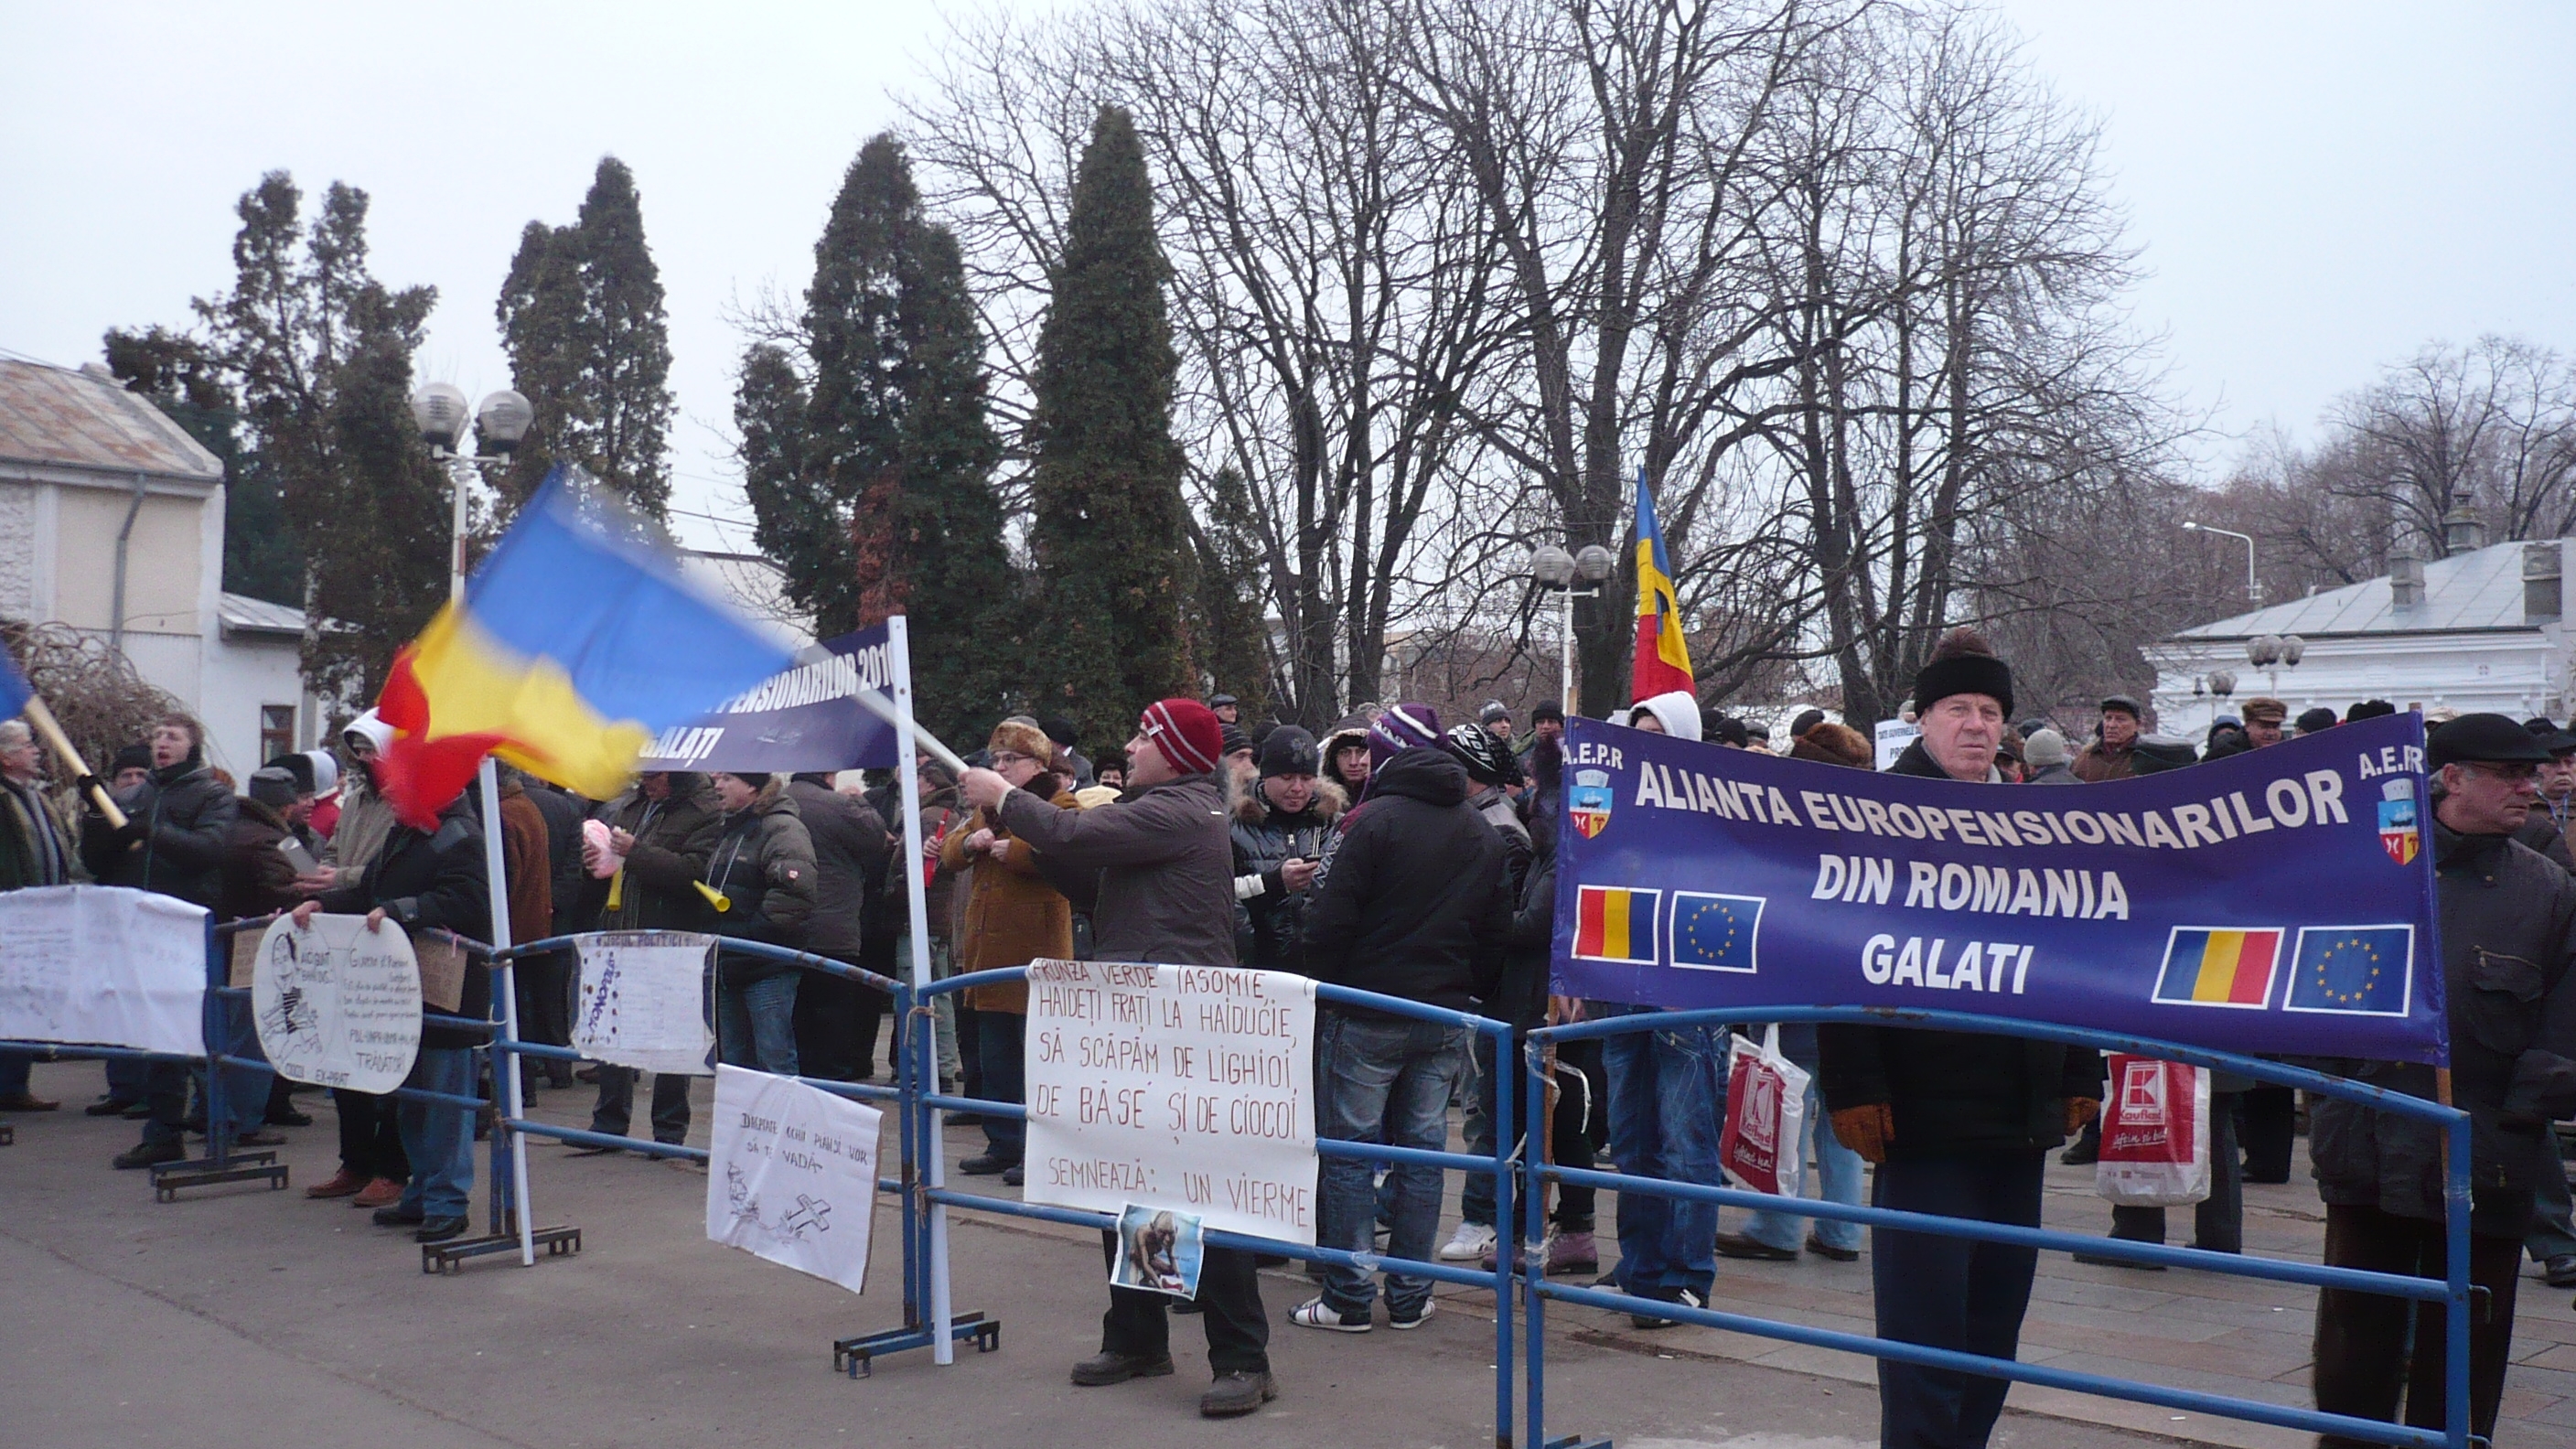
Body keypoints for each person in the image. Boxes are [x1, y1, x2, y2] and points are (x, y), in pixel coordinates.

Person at [1819, 629, 2101, 1449]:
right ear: (1922, 718)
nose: (1976, 725)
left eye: (1989, 711)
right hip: (1923, 1120)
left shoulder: (2034, 821)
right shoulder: (1875, 816)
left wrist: (2079, 1065)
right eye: (1958, 709)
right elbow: (1835, 949)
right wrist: (1854, 1082)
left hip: (2020, 1120)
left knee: (1992, 1334)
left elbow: (2070, 949)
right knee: (1925, 1334)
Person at [958, 697, 1274, 1419]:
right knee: (1128, 1182)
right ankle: (1137, 1336)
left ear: (1177, 753)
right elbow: (1094, 879)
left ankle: (1243, 1359)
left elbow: (1073, 832)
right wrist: (1030, 828)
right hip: (1138, 1023)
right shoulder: (1163, 812)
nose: (1130, 747)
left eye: (1143, 737)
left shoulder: (1179, 810)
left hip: (1181, 1028)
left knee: (1197, 1194)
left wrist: (1005, 796)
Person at [2308, 714, 2576, 1444]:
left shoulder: (2549, 892)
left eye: (2531, 774)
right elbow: (2308, 994)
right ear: (2452, 778)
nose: (2529, 788)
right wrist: (2333, 1091)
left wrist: (2510, 1125)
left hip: (2484, 1166)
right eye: (2509, 775)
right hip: (2365, 1152)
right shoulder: (2370, 868)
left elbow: (2563, 1035)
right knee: (2354, 1346)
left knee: (2463, 1358)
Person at [1293, 716, 1505, 1335]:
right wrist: (1466, 989)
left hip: (1365, 1011)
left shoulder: (1368, 822)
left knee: (1350, 1157)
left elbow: (1326, 918)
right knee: (1422, 1156)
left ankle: (1348, 1296)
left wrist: (1327, 985)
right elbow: (1495, 931)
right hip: (1442, 1014)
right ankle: (1411, 1295)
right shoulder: (1480, 829)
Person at [293, 790, 490, 1243]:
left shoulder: (460, 836)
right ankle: (422, 1192)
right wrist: (325, 904)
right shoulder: (410, 831)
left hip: (447, 991)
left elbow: (469, 902)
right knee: (412, 1102)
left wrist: (402, 910)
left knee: (444, 1105)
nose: (388, 794)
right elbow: (372, 889)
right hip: (405, 990)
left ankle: (446, 1202)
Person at [1715, 722, 1874, 1266]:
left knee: (1781, 1113)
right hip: (1852, 998)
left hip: (1796, 993)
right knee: (1839, 1118)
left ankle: (1777, 1226)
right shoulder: (1871, 828)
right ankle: (1842, 1231)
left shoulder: (1793, 833)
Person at [82, 714, 239, 1170]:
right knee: (157, 1033)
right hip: (139, 925)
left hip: (185, 926)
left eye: (172, 736)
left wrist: (154, 832)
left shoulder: (213, 794)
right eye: (156, 736)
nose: (161, 743)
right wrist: (96, 812)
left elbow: (209, 850)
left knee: (194, 1030)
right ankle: (164, 1132)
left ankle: (221, 1123)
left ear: (193, 745)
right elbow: (97, 861)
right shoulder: (136, 795)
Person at [940, 720, 1075, 1185]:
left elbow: (1063, 848)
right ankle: (1002, 1143)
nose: (999, 767)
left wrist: (1010, 851)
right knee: (996, 1058)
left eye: (1010, 759)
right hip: (988, 955)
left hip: (1035, 952)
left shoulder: (1058, 801)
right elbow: (949, 853)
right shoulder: (987, 809)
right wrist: (970, 842)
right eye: (996, 759)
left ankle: (1036, 1150)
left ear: (1036, 764)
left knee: (1035, 1061)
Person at [578, 770, 721, 1152]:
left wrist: (635, 851)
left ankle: (669, 1132)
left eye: (654, 776)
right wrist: (593, 861)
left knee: (671, 1036)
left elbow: (695, 872)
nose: (647, 783)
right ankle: (608, 1124)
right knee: (612, 1030)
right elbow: (609, 866)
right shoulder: (632, 804)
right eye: (643, 775)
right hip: (620, 930)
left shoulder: (703, 810)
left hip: (671, 936)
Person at [1441, 724, 1533, 1265]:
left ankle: (1484, 1216)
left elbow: (1502, 919)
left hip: (1491, 992)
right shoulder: (1478, 821)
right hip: (1477, 987)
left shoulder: (1501, 830)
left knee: (1486, 1112)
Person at [699, 771, 816, 1075]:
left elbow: (794, 892)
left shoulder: (782, 828)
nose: (717, 786)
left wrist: (753, 933)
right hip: (729, 959)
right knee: (735, 1062)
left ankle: (782, 1108)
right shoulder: (730, 828)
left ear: (752, 786)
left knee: (773, 1055)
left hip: (766, 963)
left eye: (727, 779)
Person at [788, 771, 893, 1083]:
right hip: (834, 926)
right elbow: (875, 838)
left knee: (796, 1015)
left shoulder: (779, 801)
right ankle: (834, 1084)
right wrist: (860, 801)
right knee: (833, 1014)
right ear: (829, 775)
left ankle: (800, 1083)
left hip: (786, 926)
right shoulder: (839, 806)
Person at [0, 717, 78, 1112]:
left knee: (27, 1000)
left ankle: (15, 1084)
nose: (35, 751)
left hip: (42, 918)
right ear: (5, 756)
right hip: (11, 916)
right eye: (27, 745)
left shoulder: (36, 797)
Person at [1229, 727, 1341, 972]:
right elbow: (1220, 895)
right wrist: (1274, 882)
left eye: (1306, 778)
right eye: (1287, 777)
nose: (1297, 788)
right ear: (1265, 776)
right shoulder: (1233, 827)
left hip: (1323, 971)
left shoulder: (1335, 825)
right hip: (1259, 970)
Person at [2071, 695, 2142, 782]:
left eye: (2120, 719)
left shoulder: (2145, 758)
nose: (2111, 725)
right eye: (2108, 718)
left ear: (2137, 725)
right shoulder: (2084, 759)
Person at [1321, 716, 1375, 802]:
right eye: (1345, 753)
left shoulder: (1388, 799)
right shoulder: (1316, 801)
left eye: (1361, 752)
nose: (1353, 762)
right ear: (1333, 758)